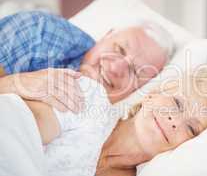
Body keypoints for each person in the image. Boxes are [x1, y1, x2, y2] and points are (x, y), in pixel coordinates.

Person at [27, 63, 207, 176]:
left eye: (191, 128)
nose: (175, 121)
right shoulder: (87, 98)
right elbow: (19, 129)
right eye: (177, 103)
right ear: (152, 95)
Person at [0, 11, 173, 113]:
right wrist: (17, 84)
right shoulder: (40, 32)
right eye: (119, 49)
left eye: (135, 71)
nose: (115, 68)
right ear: (106, 35)